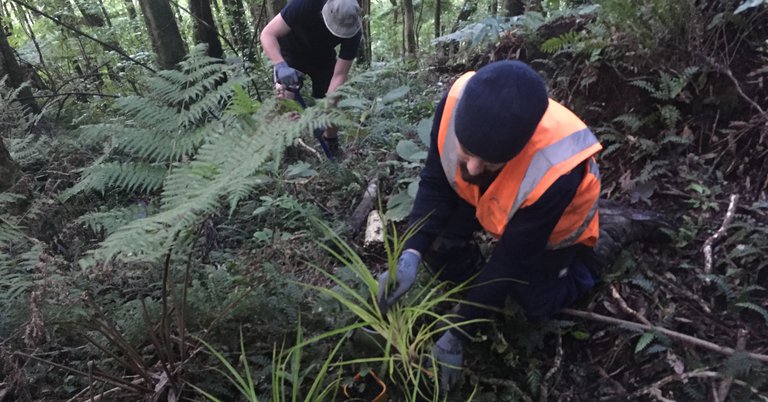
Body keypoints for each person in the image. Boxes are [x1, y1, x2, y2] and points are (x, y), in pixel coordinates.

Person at [376, 60, 664, 392]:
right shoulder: (455, 103)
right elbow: (436, 184)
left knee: (533, 305)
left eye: (489, 162)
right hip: (493, 200)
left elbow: (511, 260)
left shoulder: (556, 167)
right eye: (466, 152)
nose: (470, 166)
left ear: (519, 148)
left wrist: (458, 331)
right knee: (440, 247)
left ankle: (602, 242)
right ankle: (476, 285)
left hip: (557, 223)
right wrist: (410, 252)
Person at [259, 0, 362, 153]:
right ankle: (288, 147)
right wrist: (280, 65)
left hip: (323, 57)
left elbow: (339, 75)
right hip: (291, 51)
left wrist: (325, 110)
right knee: (285, 97)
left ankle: (331, 145)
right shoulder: (306, 3)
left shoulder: (354, 32)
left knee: (334, 101)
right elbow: (267, 34)